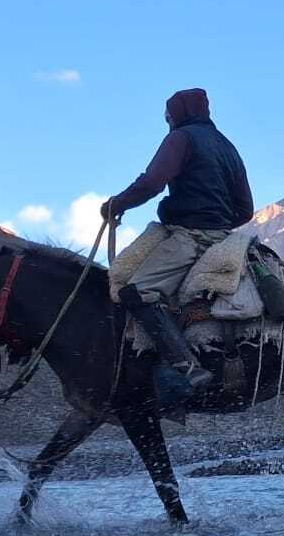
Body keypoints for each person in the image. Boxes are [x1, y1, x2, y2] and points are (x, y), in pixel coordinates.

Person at [100, 88, 255, 409]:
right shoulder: (228, 147)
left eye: (169, 116)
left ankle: (186, 366)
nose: (167, 122)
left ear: (179, 113)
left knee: (136, 290)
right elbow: (246, 209)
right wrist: (219, 221)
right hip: (223, 235)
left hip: (190, 236)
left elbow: (153, 183)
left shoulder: (181, 138)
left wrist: (117, 203)